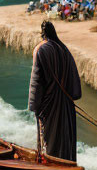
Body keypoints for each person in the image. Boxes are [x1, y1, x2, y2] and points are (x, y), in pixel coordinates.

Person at [28, 20, 82, 162]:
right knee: (65, 136)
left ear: (42, 34)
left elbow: (36, 82)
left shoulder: (40, 49)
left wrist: (34, 106)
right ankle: (67, 164)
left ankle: (51, 163)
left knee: (50, 136)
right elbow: (75, 85)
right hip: (66, 103)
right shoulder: (64, 49)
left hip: (50, 104)